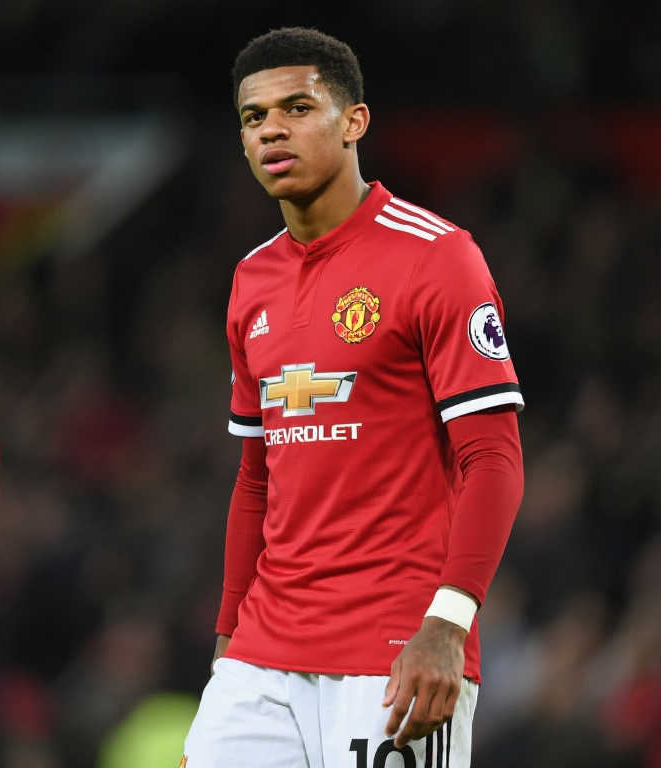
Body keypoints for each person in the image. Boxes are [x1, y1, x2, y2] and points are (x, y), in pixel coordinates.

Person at [181, 28, 524, 768]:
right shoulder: (251, 280)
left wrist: (448, 624)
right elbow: (256, 476)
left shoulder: (437, 256)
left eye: (297, 108)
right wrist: (227, 639)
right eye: (253, 117)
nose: (272, 129)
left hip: (397, 649)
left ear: (354, 122)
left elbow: (493, 458)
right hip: (263, 653)